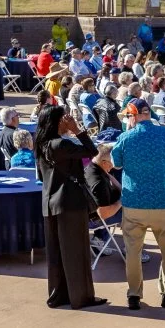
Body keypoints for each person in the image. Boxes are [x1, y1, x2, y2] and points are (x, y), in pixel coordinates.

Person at [111, 98, 165, 311]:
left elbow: (116, 163)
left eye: (128, 116)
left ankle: (134, 294)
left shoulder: (126, 137)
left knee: (133, 250)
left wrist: (126, 133)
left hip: (134, 203)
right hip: (163, 202)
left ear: (133, 115)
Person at [35, 106, 106, 309]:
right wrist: (77, 130)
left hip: (50, 202)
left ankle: (59, 295)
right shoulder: (61, 144)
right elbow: (92, 151)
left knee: (57, 253)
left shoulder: (41, 144)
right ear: (59, 122)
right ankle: (81, 297)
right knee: (77, 252)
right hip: (70, 202)